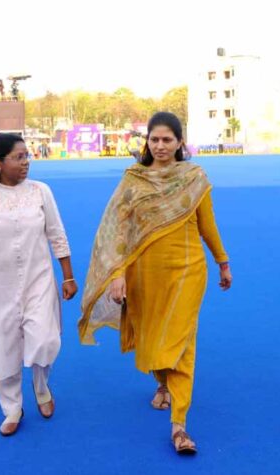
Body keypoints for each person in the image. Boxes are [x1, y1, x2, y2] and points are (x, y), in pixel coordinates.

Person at [79, 112, 232, 455]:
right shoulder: (134, 180)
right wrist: (117, 274)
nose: (160, 145)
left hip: (187, 271)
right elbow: (118, 231)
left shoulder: (193, 177)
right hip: (143, 274)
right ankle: (162, 382)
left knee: (181, 341)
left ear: (180, 143)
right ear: (146, 142)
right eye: (154, 139)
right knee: (152, 334)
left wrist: (222, 261)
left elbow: (207, 224)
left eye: (167, 139)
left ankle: (179, 424)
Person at [0, 133, 78, 436]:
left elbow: (57, 233)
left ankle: (41, 385)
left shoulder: (40, 191)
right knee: (4, 346)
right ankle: (12, 408)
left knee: (46, 339)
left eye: (27, 156)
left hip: (39, 281)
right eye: (18, 157)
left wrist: (68, 275)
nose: (26, 162)